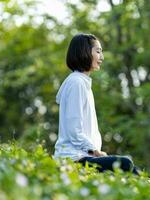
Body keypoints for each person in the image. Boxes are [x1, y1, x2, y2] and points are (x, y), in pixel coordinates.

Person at [54, 33, 140, 175]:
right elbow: (74, 130)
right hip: (73, 158)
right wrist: (95, 151)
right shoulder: (77, 83)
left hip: (84, 156)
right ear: (85, 52)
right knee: (125, 164)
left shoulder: (82, 82)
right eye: (98, 51)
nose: (102, 57)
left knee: (134, 171)